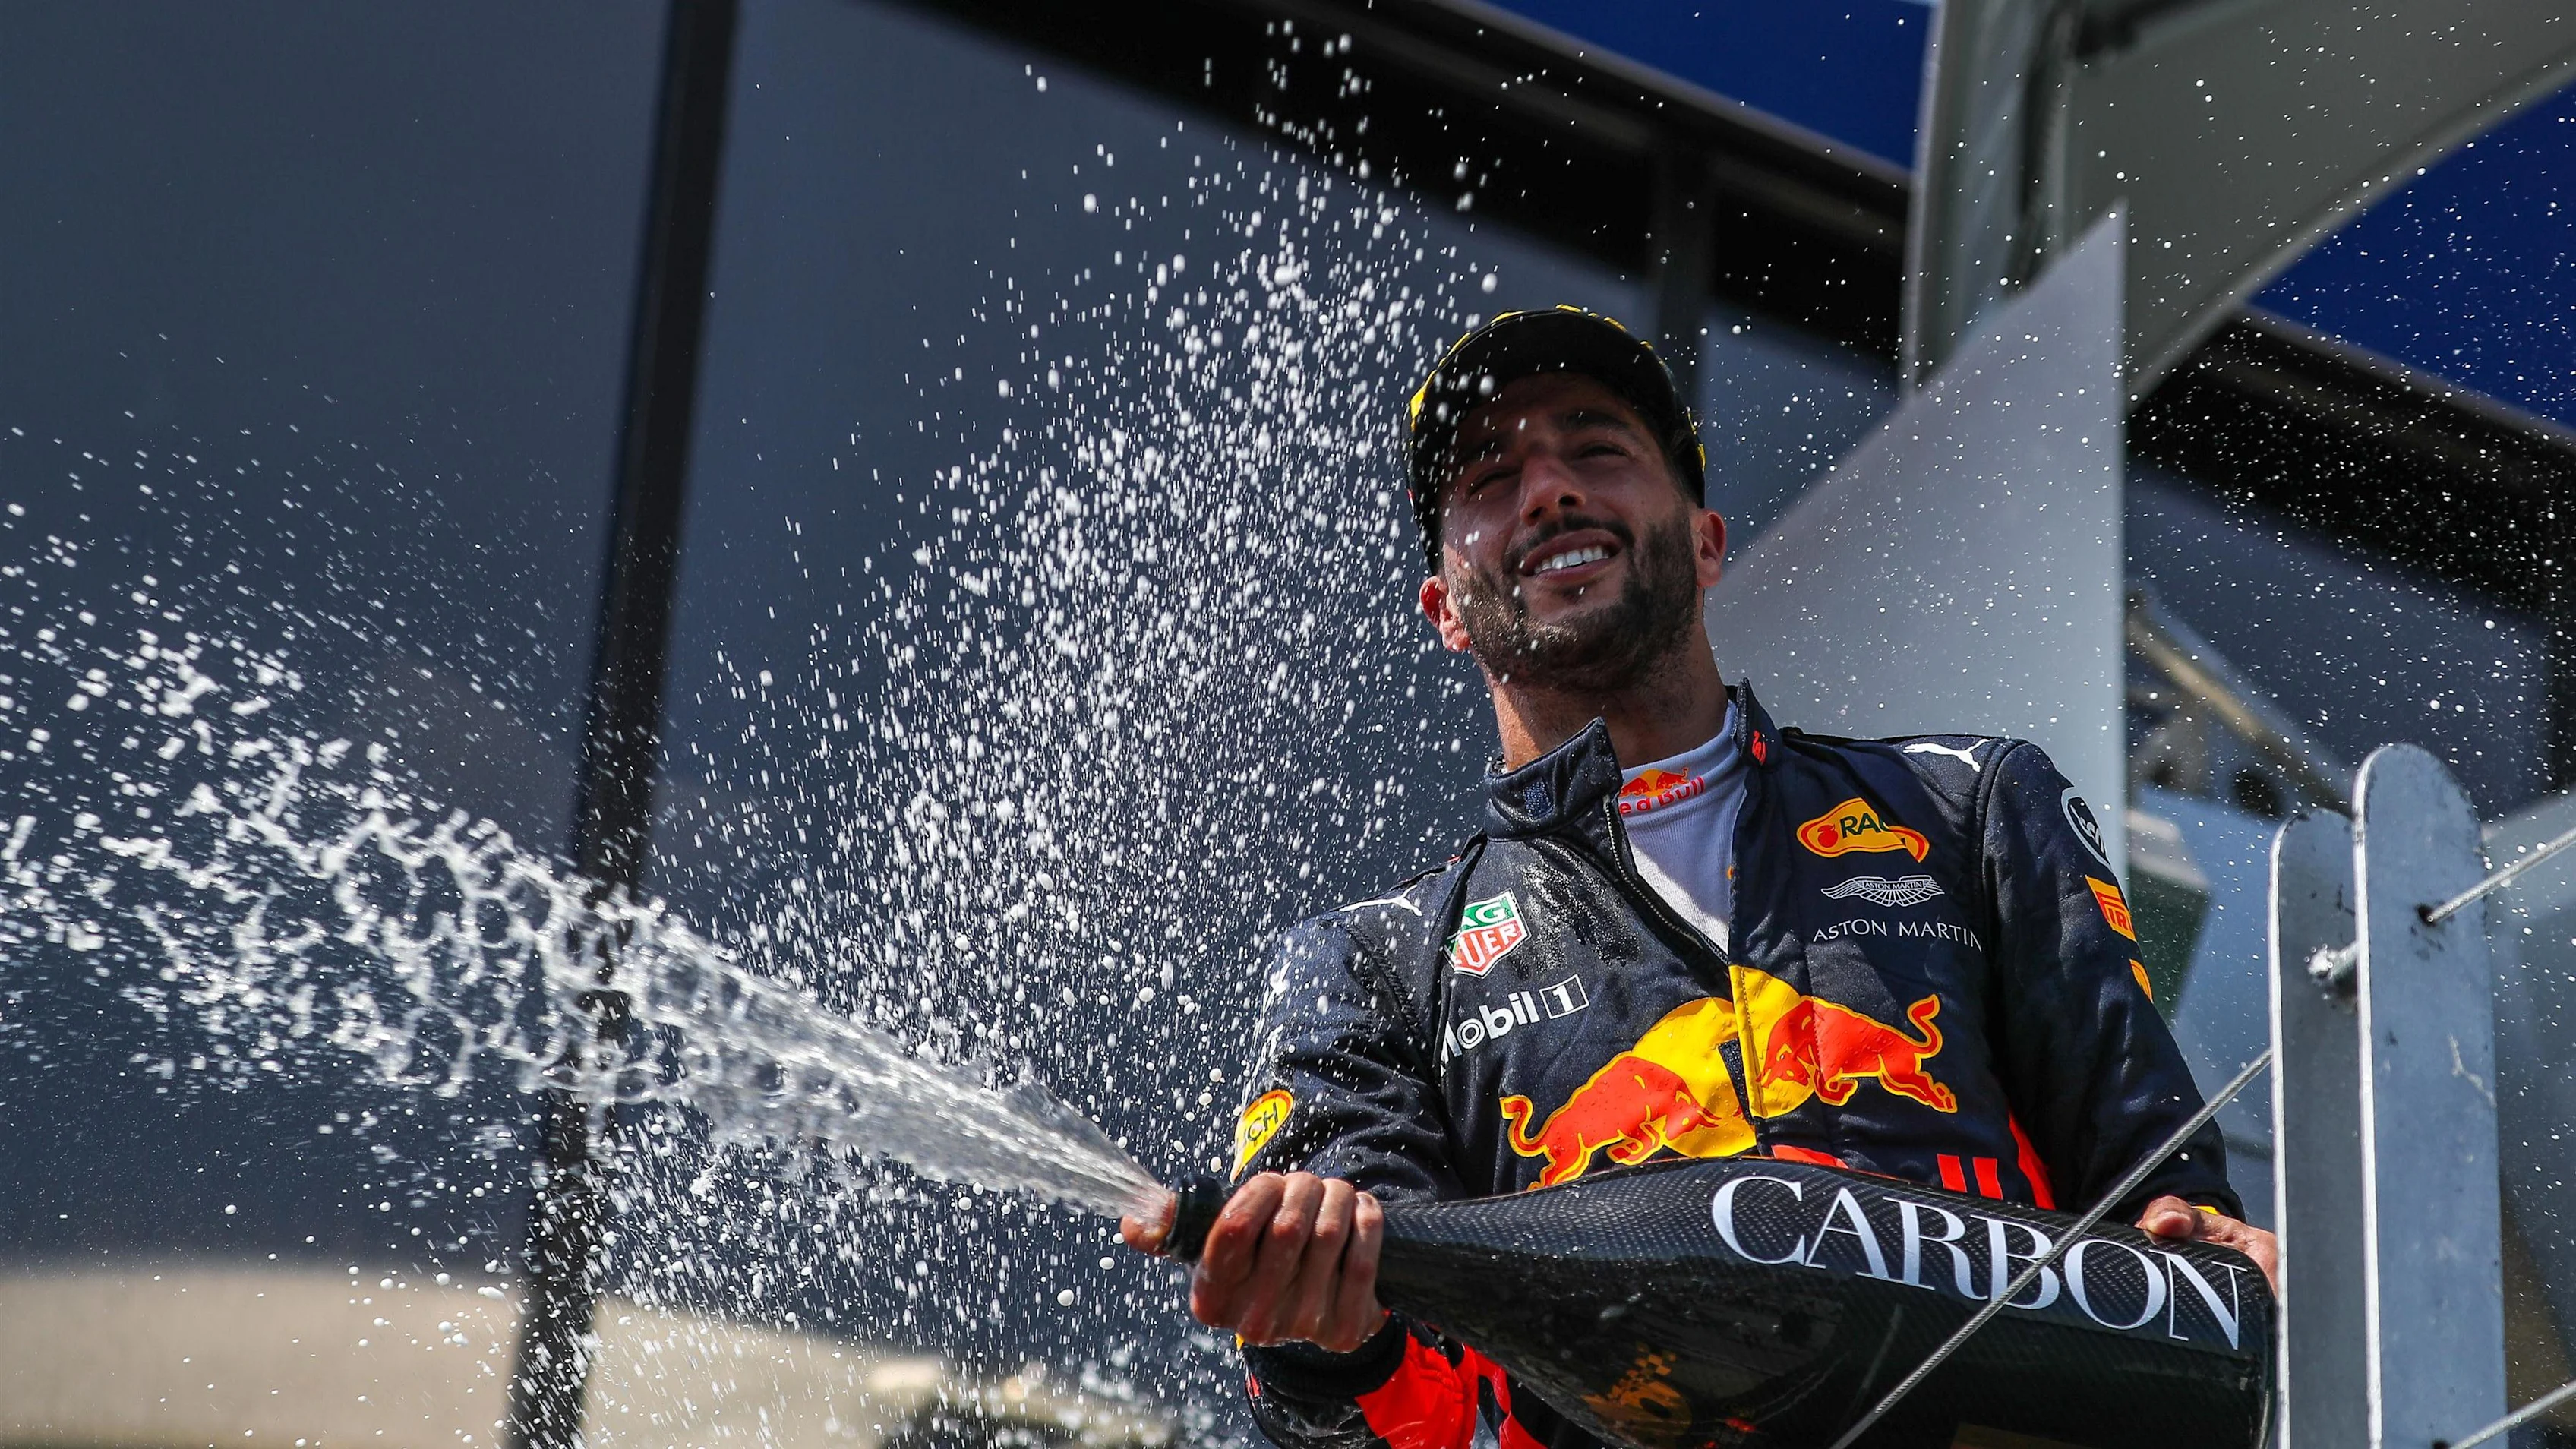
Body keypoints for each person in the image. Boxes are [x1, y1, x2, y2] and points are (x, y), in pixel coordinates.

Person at [1122, 306, 2277, 1449]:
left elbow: (2165, 1220)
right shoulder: (1373, 962)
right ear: (1444, 614)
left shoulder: (1970, 807)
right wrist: (1323, 1333)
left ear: (1708, 538)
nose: (1549, 490)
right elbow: (1391, 1414)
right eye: (1489, 477)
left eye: (1598, 447)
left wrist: (2212, 1248)